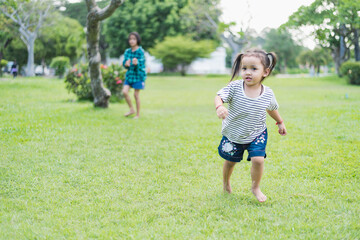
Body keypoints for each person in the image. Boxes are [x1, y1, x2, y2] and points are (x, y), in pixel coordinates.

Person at [215, 49, 287, 202]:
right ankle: (226, 184)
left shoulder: (267, 93)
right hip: (233, 134)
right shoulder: (235, 87)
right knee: (230, 161)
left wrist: (280, 122)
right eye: (244, 68)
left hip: (257, 133)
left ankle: (255, 187)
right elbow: (219, 96)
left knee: (258, 160)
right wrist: (219, 107)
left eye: (254, 69)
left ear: (265, 72)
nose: (248, 72)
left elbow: (272, 109)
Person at [122, 32, 146, 119]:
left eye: (134, 39)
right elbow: (124, 63)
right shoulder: (127, 51)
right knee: (124, 92)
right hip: (129, 75)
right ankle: (131, 109)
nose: (131, 41)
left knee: (136, 95)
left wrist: (136, 63)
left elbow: (142, 62)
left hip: (138, 76)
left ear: (137, 40)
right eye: (130, 39)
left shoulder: (140, 51)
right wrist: (126, 64)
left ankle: (138, 115)